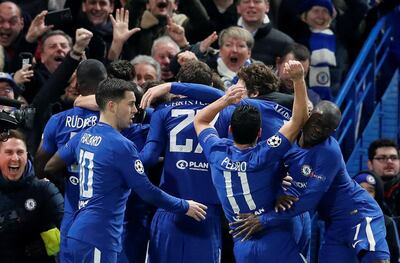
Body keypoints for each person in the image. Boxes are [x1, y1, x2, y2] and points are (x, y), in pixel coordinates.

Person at [44, 78, 207, 262]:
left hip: (77, 231)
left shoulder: (84, 136)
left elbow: (50, 166)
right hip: (99, 236)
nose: (136, 110)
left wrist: (74, 186)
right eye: (130, 104)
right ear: (112, 106)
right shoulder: (121, 145)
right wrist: (184, 206)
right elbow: (147, 191)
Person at [230, 101, 391, 263]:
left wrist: (263, 220)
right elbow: (274, 172)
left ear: (333, 132)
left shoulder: (329, 152)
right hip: (333, 224)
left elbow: (309, 200)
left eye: (327, 128)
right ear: (309, 116)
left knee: (376, 261)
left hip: (359, 213)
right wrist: (279, 192)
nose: (319, 129)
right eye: (317, 122)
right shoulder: (287, 139)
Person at [193, 60, 309, 262]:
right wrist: (298, 80)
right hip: (277, 238)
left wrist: (225, 101)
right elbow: (298, 120)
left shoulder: (216, 151)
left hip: (242, 244)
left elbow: (200, 120)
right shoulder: (265, 154)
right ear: (260, 133)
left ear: (229, 130)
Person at [140, 60, 222, 263]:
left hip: (170, 206)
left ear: (180, 84)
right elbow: (229, 98)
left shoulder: (164, 111)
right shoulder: (225, 111)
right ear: (210, 86)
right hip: (207, 211)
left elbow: (149, 157)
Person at [35, 59, 107, 262]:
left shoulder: (58, 120)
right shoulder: (114, 117)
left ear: (77, 85)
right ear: (105, 83)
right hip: (106, 213)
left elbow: (40, 164)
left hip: (72, 208)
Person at [0, 129, 64, 263]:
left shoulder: (44, 189)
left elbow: (69, 227)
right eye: (8, 152)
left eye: (20, 152)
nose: (15, 158)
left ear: (27, 155)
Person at [354, 171, 400, 263]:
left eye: (370, 190)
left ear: (377, 194)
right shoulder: (337, 219)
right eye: (360, 188)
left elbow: (394, 257)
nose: (365, 194)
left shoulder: (387, 222)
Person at [236, 0, 293, 66]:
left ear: (267, 6)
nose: (251, 5)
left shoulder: (285, 43)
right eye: (246, 1)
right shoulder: (225, 39)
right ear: (238, 8)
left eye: (257, 2)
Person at [368, 139, 400, 217]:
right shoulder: (363, 190)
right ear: (370, 164)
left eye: (394, 158)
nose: (389, 161)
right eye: (382, 158)